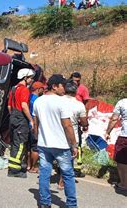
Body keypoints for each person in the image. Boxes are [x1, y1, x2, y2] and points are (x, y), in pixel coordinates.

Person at [33, 74, 78, 208]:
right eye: (62, 86)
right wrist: (74, 145)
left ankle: (45, 203)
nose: (64, 89)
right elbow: (67, 125)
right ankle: (71, 204)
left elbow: (36, 124)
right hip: (61, 145)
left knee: (44, 174)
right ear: (54, 86)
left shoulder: (38, 101)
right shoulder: (62, 102)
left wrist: (38, 137)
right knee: (68, 174)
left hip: (43, 144)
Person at [58, 80, 89, 188]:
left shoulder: (57, 101)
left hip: (56, 132)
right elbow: (84, 121)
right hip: (72, 135)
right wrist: (85, 125)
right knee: (69, 158)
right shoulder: (79, 105)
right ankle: (62, 181)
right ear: (75, 92)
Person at [7, 68, 35, 178]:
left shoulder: (13, 89)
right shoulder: (24, 90)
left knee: (14, 142)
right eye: (31, 78)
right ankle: (14, 170)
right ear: (25, 77)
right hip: (21, 119)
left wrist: (13, 116)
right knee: (20, 144)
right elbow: (24, 106)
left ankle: (13, 166)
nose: (32, 80)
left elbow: (9, 106)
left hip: (13, 117)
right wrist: (31, 120)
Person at [105, 98, 127, 192]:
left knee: (121, 160)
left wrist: (108, 132)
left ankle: (124, 184)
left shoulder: (122, 102)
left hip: (125, 136)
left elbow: (114, 119)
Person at [27, 81, 45, 173]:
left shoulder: (29, 97)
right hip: (34, 125)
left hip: (27, 124)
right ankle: (33, 167)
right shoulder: (38, 100)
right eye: (42, 88)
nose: (44, 90)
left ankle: (28, 165)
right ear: (39, 89)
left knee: (29, 147)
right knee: (35, 147)